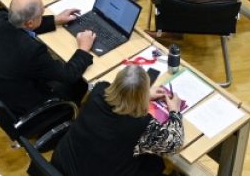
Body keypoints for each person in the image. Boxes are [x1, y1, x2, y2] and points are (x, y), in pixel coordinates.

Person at [51, 65, 184, 176]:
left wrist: (142, 95)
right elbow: (175, 144)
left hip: (62, 164)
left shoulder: (99, 90)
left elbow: (119, 96)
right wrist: (175, 111)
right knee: (155, 163)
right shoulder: (141, 126)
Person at [0, 0, 94, 116]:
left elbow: (22, 25)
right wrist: (83, 48)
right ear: (30, 23)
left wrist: (55, 20)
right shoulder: (32, 50)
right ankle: (65, 119)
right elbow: (68, 75)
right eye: (41, 15)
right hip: (21, 105)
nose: (42, 16)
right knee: (80, 83)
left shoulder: (0, 18)